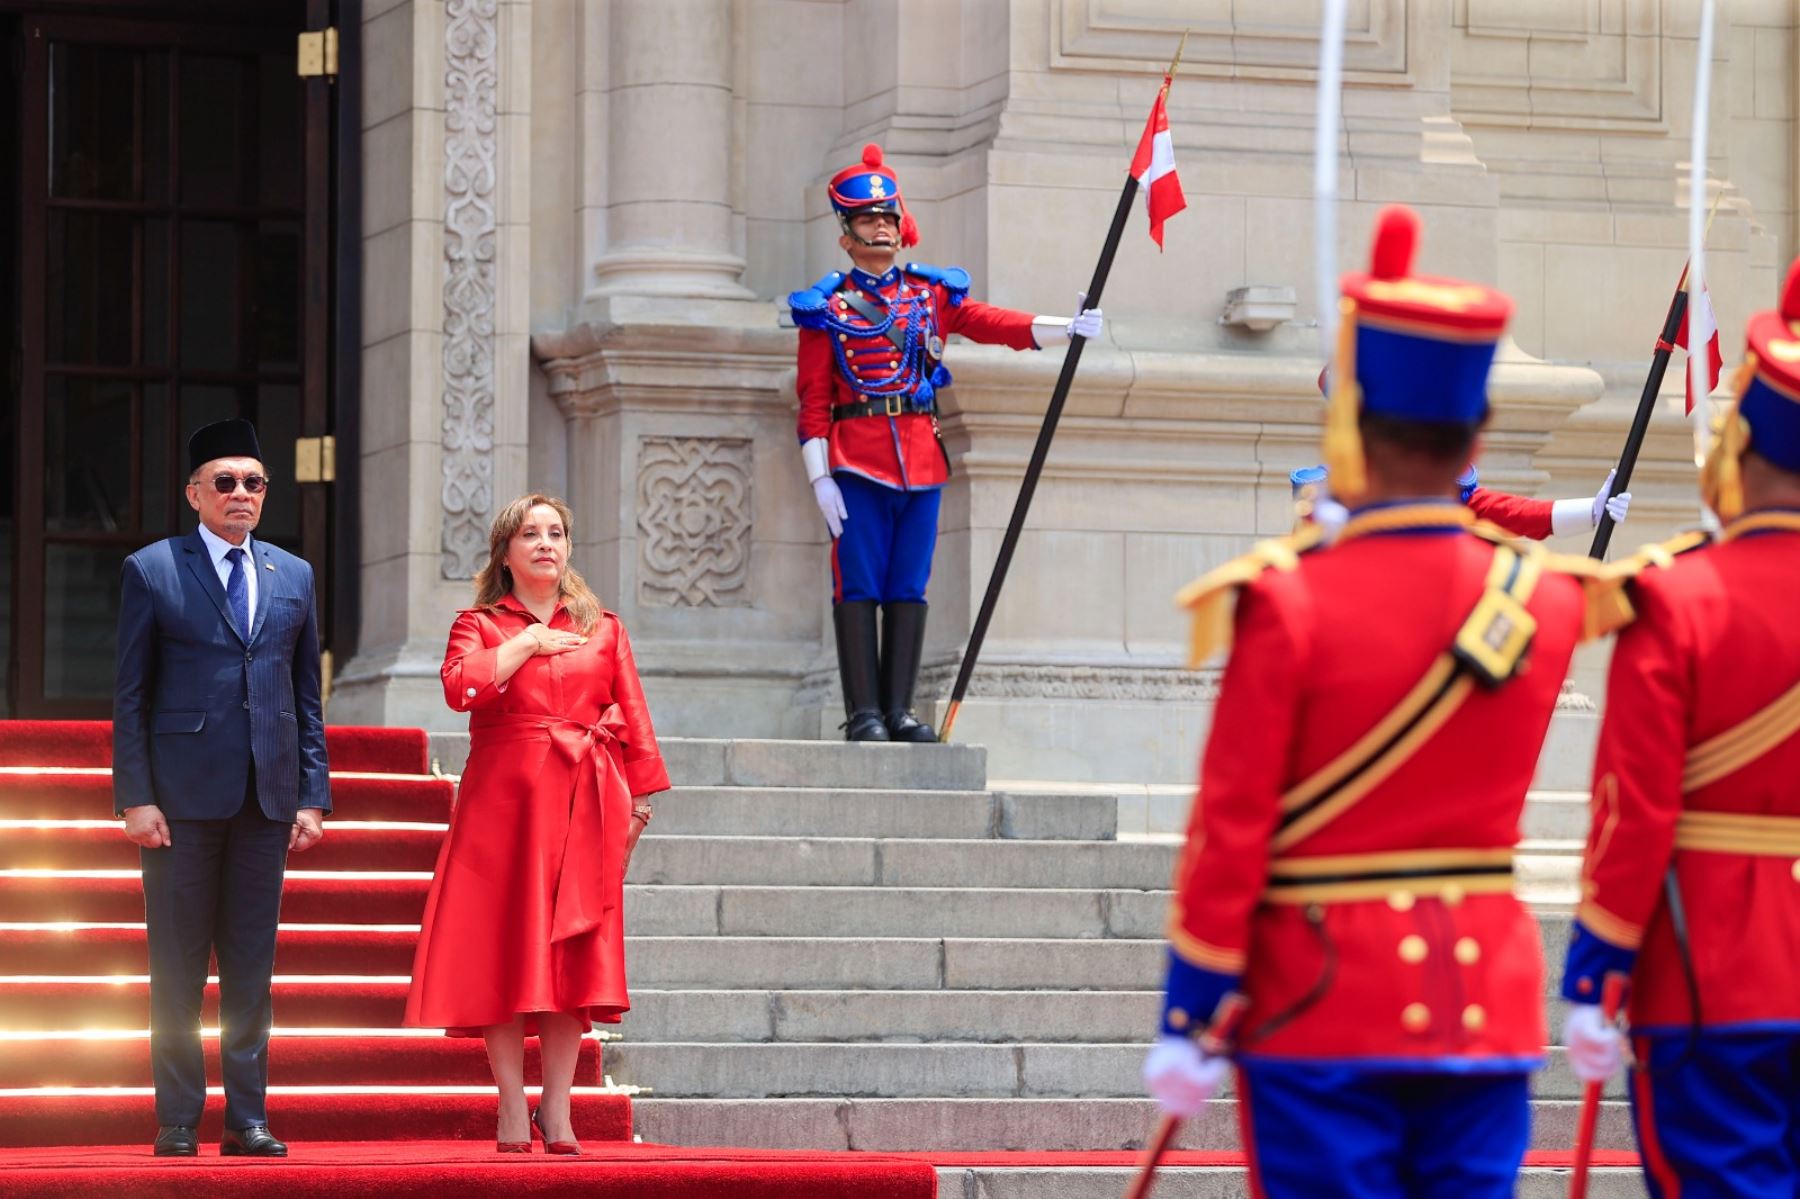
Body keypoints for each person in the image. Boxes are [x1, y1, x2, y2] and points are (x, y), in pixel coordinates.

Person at [1143, 206, 1628, 1198]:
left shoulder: (1285, 598)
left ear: (1347, 425)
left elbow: (1232, 826)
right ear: (1479, 431)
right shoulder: (1547, 596)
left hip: (1323, 999)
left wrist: (1192, 1006)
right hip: (1483, 997)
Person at [1559, 258, 1800, 1198]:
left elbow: (1635, 808)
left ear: (1739, 441)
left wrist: (1596, 969)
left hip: (1717, 974)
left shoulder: (1675, 598)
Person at [790, 143, 1104, 741]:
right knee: (859, 583)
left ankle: (901, 711)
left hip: (921, 461)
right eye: (867, 220)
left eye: (887, 217)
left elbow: (990, 322)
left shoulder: (927, 295)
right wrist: (819, 475)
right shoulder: (825, 309)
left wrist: (1063, 327)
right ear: (846, 234)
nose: (880, 227)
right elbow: (811, 402)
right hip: (856, 461)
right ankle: (864, 715)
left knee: (909, 583)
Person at [404, 493, 669, 1155]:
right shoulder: (480, 623)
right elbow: (459, 687)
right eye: (530, 533)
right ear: (506, 551)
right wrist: (524, 641)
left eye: (556, 532)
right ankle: (509, 1101)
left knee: (569, 955)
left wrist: (638, 804)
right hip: (502, 808)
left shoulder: (603, 626)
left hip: (586, 801)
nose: (546, 542)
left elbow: (632, 716)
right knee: (500, 949)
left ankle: (557, 1105)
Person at [112, 418, 330, 1159]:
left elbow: (306, 698)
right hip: (178, 805)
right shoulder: (153, 569)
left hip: (265, 800)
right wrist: (135, 795)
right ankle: (177, 1116)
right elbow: (131, 693)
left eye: (255, 482)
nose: (242, 494)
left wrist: (311, 794)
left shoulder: (292, 575)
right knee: (175, 968)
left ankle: (247, 1118)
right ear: (194, 493)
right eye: (227, 481)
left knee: (250, 971)